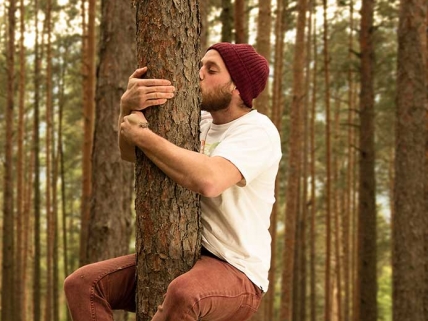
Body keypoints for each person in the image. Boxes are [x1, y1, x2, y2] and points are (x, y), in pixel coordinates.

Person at [63, 43, 282, 321]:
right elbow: (131, 153)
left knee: (185, 294)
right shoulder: (196, 120)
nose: (198, 73)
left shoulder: (257, 131)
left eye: (211, 70)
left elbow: (210, 181)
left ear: (237, 87)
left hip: (237, 270)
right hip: (189, 254)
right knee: (83, 284)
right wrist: (127, 107)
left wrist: (144, 136)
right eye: (200, 65)